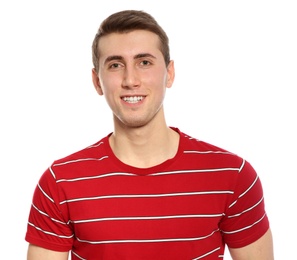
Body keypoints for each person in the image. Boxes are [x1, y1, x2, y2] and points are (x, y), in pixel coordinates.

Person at [25, 9, 274, 260]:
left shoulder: (233, 176)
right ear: (97, 81)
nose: (130, 80)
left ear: (170, 73)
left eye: (144, 62)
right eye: (115, 65)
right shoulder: (60, 183)